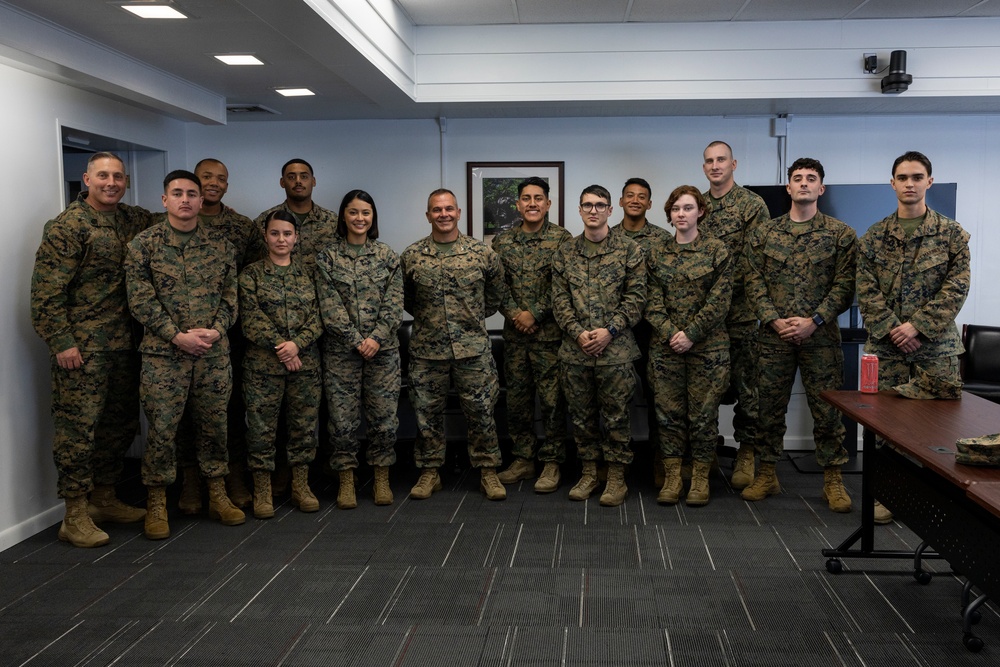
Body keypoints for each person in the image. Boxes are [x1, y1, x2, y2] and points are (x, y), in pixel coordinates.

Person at [30, 152, 151, 548]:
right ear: (86, 179)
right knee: (77, 432)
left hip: (125, 346)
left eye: (118, 176)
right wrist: (61, 342)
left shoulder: (133, 219)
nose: (111, 182)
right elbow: (46, 293)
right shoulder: (68, 227)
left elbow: (176, 219)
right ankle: (75, 513)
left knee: (119, 426)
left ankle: (104, 496)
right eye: (103, 175)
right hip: (83, 350)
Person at [125, 170, 243, 539]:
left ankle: (218, 495)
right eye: (177, 193)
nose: (186, 199)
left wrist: (217, 329)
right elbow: (140, 301)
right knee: (161, 431)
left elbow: (230, 297)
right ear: (165, 200)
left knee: (214, 427)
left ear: (201, 200)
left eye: (192, 193)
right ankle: (157, 503)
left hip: (211, 353)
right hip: (164, 357)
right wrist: (176, 336)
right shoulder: (142, 246)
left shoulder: (221, 245)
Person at [857, 150, 971, 524]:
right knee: (886, 425)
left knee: (936, 427)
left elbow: (957, 287)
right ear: (892, 184)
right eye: (902, 177)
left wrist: (918, 327)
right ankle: (888, 496)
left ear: (929, 182)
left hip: (934, 349)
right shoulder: (874, 236)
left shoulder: (952, 234)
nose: (909, 183)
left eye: (917, 177)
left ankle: (937, 498)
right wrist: (895, 328)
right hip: (887, 348)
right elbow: (866, 289)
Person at [743, 158, 858, 511]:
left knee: (826, 411)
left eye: (811, 179)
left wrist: (815, 320)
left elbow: (846, 285)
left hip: (820, 338)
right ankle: (767, 474)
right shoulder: (764, 234)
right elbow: (752, 280)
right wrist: (773, 320)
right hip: (773, 337)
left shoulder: (842, 235)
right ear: (788, 188)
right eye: (797, 179)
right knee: (767, 409)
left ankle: (833, 481)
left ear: (821, 188)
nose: (804, 183)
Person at [401, 189, 507, 501]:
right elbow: (407, 299)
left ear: (459, 213)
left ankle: (488, 472)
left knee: (482, 412)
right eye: (437, 210)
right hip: (427, 351)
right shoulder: (412, 256)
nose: (443, 214)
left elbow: (495, 295)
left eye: (449, 209)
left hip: (472, 349)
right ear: (428, 215)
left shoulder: (482, 254)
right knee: (426, 414)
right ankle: (430, 472)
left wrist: (468, 319)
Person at [173, 158, 260, 515]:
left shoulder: (240, 226)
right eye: (205, 177)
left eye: (220, 178)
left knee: (231, 409)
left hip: (230, 334)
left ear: (227, 184)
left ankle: (232, 476)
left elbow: (254, 274)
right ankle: (192, 481)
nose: (213, 183)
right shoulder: (161, 226)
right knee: (182, 415)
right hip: (177, 338)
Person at [551, 184, 646, 506]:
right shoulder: (565, 252)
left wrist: (609, 330)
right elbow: (559, 300)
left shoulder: (630, 250)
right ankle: (590, 473)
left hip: (615, 352)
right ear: (579, 210)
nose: (593, 210)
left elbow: (636, 299)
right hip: (575, 352)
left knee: (617, 417)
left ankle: (617, 478)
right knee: (581, 418)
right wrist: (578, 333)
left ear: (610, 210)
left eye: (600, 205)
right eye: (587, 205)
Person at [645, 186, 732, 506]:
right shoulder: (656, 253)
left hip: (707, 349)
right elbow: (650, 300)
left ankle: (698, 478)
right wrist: (672, 333)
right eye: (676, 209)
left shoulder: (717, 250)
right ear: (669, 214)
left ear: (701, 212)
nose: (681, 213)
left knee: (703, 416)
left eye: (688, 208)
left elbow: (719, 300)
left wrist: (691, 333)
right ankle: (671, 477)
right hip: (666, 349)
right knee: (667, 415)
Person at [316, 190, 403, 508]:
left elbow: (395, 305)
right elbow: (329, 306)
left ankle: (381, 479)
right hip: (341, 353)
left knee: (384, 421)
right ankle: (347, 482)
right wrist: (356, 340)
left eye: (366, 212)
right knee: (342, 422)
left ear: (373, 217)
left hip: (383, 353)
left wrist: (376, 339)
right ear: (343, 216)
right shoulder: (327, 257)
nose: (359, 218)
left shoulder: (387, 256)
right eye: (353, 212)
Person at [239, 210, 325, 519]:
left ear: (296, 238)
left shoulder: (310, 274)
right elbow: (249, 319)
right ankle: (262, 490)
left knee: (303, 427)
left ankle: (300, 486)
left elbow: (320, 316)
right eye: (275, 233)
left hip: (305, 365)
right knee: (261, 429)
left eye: (287, 234)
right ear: (265, 236)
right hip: (263, 367)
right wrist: (284, 348)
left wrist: (297, 345)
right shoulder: (251, 275)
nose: (281, 239)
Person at [492, 177, 572, 492]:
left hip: (550, 337)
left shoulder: (563, 240)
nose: (532, 203)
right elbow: (498, 286)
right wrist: (516, 315)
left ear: (548, 204)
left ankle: (552, 462)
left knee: (552, 401)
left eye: (538, 198)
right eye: (526, 198)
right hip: (515, 338)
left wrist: (535, 313)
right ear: (518, 204)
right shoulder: (503, 242)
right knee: (518, 402)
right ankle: (524, 459)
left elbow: (563, 286)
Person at [701, 140, 771, 489]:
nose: (716, 166)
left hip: (742, 314)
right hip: (705, 320)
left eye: (721, 160)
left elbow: (757, 259)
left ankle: (746, 452)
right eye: (710, 161)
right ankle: (708, 451)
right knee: (708, 389)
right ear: (704, 168)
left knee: (748, 387)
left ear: (734, 164)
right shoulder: (695, 205)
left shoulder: (751, 205)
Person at [609, 177, 672, 484]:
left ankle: (661, 458)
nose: (635, 200)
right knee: (613, 397)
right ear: (620, 202)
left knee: (658, 396)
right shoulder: (606, 238)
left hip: (652, 330)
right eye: (629, 196)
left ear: (649, 204)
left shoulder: (662, 239)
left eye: (642, 196)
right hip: (617, 331)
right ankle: (614, 462)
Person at [254, 159, 338, 266]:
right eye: (291, 177)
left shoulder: (332, 221)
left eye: (304, 176)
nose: (298, 181)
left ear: (313, 181)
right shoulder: (265, 220)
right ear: (282, 182)